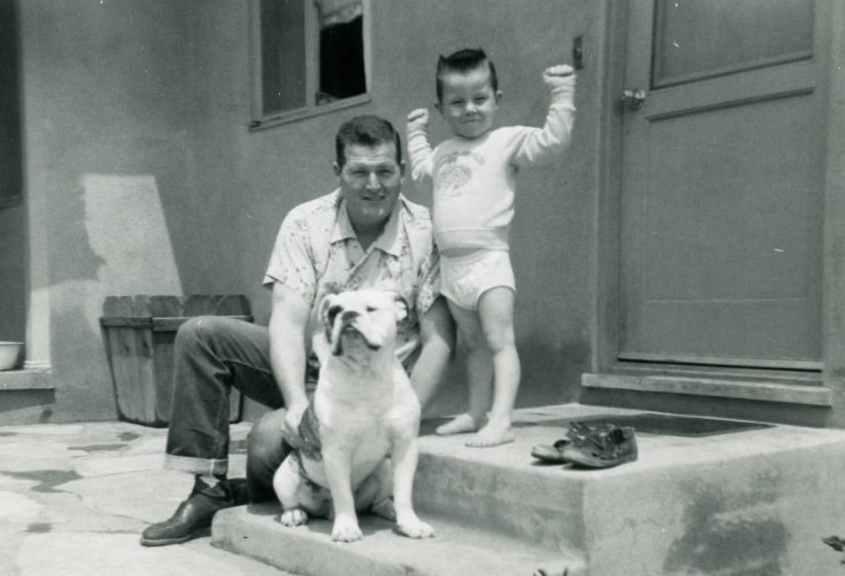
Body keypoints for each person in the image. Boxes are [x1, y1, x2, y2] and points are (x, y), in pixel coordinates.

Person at [140, 114, 454, 547]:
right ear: (337, 173)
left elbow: (440, 339)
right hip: (315, 369)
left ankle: (266, 488)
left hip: (380, 385)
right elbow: (287, 322)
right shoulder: (306, 222)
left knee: (266, 442)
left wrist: (403, 416)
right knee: (200, 335)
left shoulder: (427, 231)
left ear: (401, 169)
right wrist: (294, 405)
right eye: (358, 172)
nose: (373, 185)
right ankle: (208, 490)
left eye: (385, 171)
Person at [406, 48, 575, 448]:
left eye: (479, 99)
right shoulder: (444, 151)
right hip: (453, 268)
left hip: (489, 263)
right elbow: (419, 171)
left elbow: (552, 143)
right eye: (457, 102)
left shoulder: (506, 141)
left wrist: (562, 95)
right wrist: (415, 134)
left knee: (500, 341)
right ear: (442, 107)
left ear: (497, 98)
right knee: (475, 346)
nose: (469, 109)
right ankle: (475, 412)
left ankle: (501, 420)